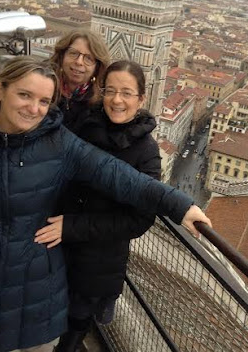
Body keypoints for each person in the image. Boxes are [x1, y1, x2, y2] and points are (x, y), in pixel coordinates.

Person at [0, 56, 211, 352]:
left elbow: (121, 176)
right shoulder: (86, 127)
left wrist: (180, 206)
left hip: (32, 284)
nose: (33, 108)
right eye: (24, 95)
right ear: (0, 90)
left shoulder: (58, 141)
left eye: (43, 100)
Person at [35, 60, 162, 350]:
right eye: (111, 90)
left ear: (141, 99)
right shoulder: (85, 125)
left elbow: (140, 220)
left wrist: (73, 226)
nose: (117, 100)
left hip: (96, 263)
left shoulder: (147, 151)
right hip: (55, 246)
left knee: (72, 327)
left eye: (127, 93)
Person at [50, 29, 110, 133]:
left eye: (89, 58)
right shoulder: (42, 88)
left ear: (97, 67)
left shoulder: (101, 107)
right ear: (62, 56)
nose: (79, 62)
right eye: (73, 53)